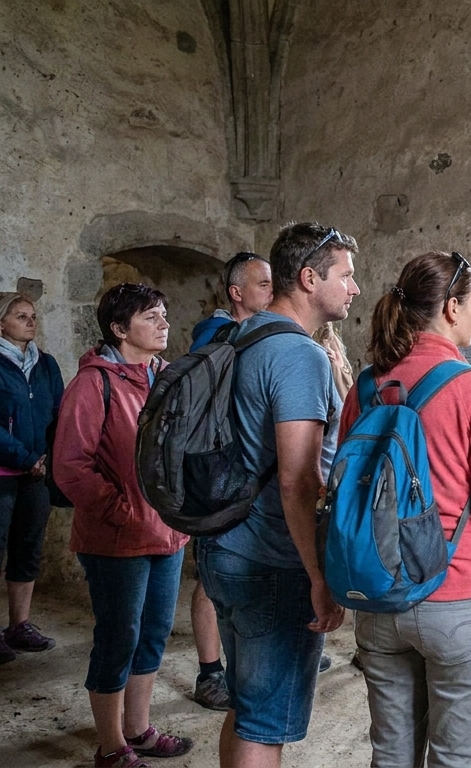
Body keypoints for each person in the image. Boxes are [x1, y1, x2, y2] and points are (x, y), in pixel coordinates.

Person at [342, 251, 471, 766]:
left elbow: (340, 494)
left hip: (379, 596)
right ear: (451, 308)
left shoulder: (367, 387)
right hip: (460, 602)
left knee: (391, 755)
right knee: (455, 759)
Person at [195, 222, 358, 768]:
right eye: (346, 275)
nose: (354, 288)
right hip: (272, 561)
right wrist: (319, 575)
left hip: (224, 544)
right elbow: (298, 479)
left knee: (244, 707)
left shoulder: (240, 337)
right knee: (265, 725)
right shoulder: (299, 356)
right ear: (309, 279)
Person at [54, 283, 194, 768]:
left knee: (154, 632)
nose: (163, 324)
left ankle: (138, 728)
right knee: (119, 636)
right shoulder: (94, 384)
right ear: (118, 329)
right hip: (117, 539)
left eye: (164, 314)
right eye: (151, 317)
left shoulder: (164, 377)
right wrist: (123, 510)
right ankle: (111, 745)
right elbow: (71, 466)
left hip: (166, 532)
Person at [187, 252, 274, 711]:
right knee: (212, 574)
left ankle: (260, 655)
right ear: (237, 293)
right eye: (263, 284)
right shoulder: (216, 336)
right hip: (219, 476)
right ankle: (209, 673)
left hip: (249, 478)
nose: (272, 291)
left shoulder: (258, 335)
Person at [0, 292, 63, 664]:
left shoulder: (46, 364)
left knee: (28, 548)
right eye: (21, 315)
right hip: (5, 471)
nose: (30, 321)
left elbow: (60, 412)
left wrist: (50, 457)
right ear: (1, 323)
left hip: (36, 472)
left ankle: (19, 625)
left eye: (33, 315)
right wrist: (26, 458)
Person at [190, 252, 274, 349]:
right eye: (264, 286)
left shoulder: (269, 330)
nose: (273, 292)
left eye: (274, 285)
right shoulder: (214, 338)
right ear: (237, 293)